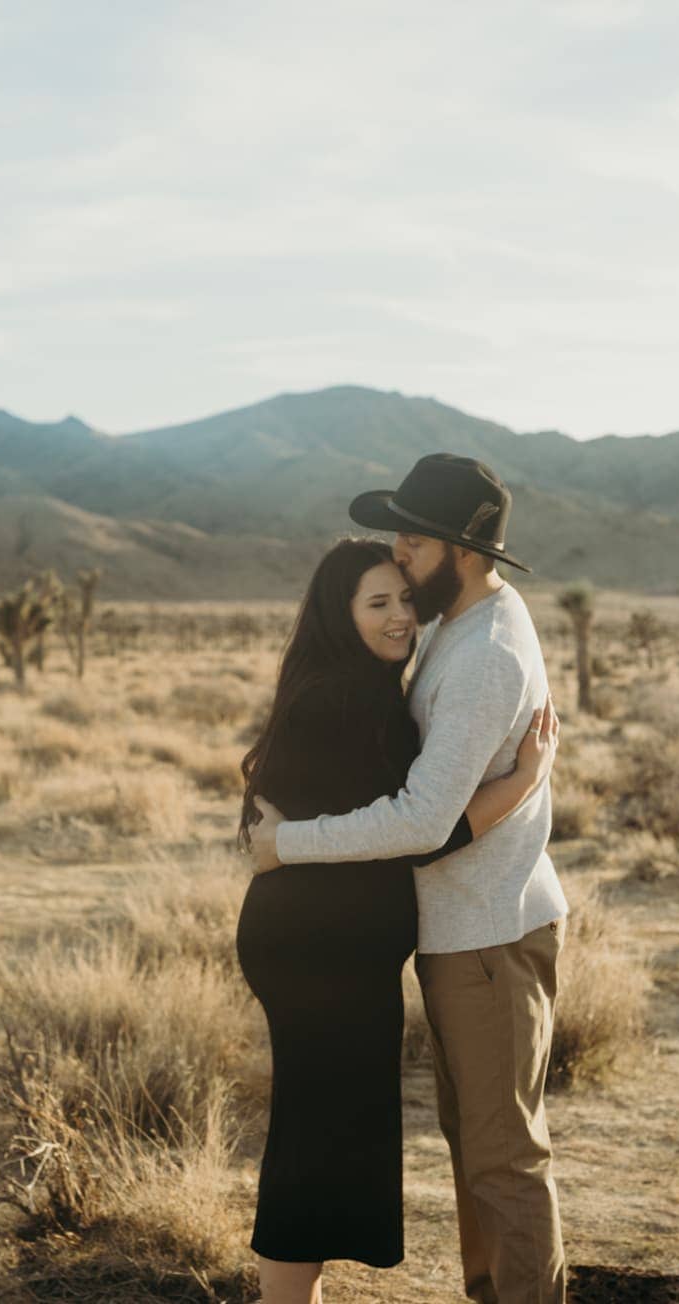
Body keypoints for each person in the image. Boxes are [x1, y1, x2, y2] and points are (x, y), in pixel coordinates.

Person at [249, 454, 569, 1304]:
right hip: (464, 929)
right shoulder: (457, 621)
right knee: (479, 1145)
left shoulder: (481, 655)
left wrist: (290, 844)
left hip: (489, 932)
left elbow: (421, 819)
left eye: (412, 540)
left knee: (503, 1158)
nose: (398, 552)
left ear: (459, 551)